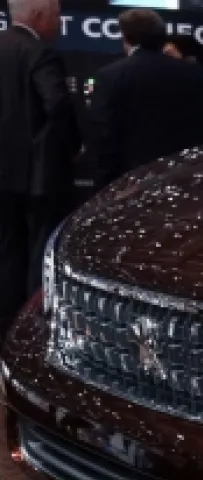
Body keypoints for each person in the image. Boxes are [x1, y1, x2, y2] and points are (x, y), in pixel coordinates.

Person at [0, 0, 81, 335]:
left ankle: (6, 321)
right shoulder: (39, 52)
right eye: (57, 16)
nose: (60, 23)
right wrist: (74, 144)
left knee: (6, 247)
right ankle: (33, 326)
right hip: (38, 174)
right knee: (40, 248)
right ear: (38, 15)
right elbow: (57, 103)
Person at [90, 9, 203, 187]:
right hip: (187, 175)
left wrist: (105, 182)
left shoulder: (111, 75)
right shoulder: (191, 71)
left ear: (125, 37)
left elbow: (104, 134)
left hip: (133, 179)